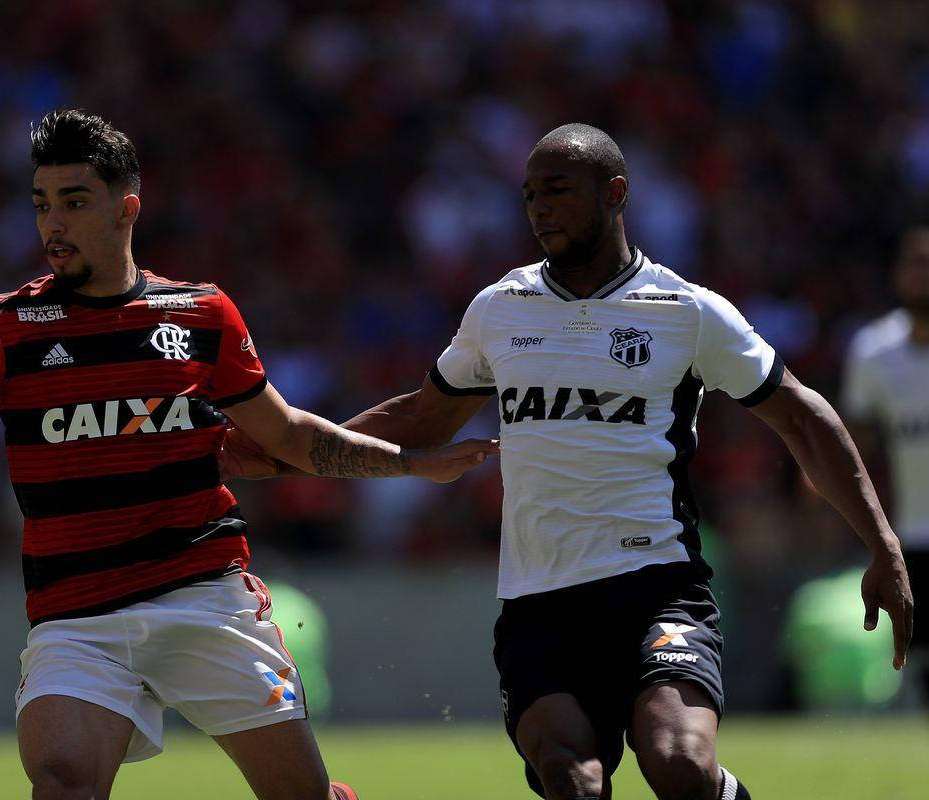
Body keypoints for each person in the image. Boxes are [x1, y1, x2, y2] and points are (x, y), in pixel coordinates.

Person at [0, 109, 498, 800]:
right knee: (62, 782)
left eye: (73, 201)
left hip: (203, 595)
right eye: (41, 204)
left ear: (125, 207)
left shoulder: (199, 313)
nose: (52, 224)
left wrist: (406, 461)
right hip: (77, 618)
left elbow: (289, 437)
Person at [223, 123, 914, 800]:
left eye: (557, 190)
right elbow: (421, 419)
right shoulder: (501, 309)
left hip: (658, 587)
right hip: (541, 601)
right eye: (529, 196)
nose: (539, 209)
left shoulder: (685, 310)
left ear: (614, 192)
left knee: (678, 765)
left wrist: (881, 543)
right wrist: (290, 456)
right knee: (571, 778)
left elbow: (803, 416)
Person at [842, 226, 929, 705]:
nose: (924, 274)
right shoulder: (874, 351)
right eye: (916, 263)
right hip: (910, 535)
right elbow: (858, 443)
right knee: (916, 666)